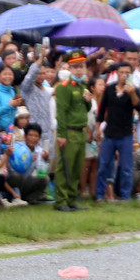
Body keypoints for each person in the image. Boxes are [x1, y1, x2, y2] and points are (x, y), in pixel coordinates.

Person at [95, 62, 140, 203]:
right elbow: (102, 111)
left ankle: (125, 196)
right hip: (109, 134)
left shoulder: (134, 90)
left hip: (126, 134)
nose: (124, 75)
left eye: (127, 73)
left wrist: (132, 93)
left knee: (126, 167)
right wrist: (97, 128)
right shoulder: (109, 89)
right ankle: (99, 195)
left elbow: (138, 107)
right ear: (117, 73)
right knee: (103, 165)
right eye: (121, 72)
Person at [53, 50, 92, 212]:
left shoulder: (83, 86)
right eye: (75, 67)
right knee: (65, 168)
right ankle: (61, 201)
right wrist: (61, 135)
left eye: (81, 66)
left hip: (81, 132)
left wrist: (89, 102)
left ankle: (71, 199)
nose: (78, 70)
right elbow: (61, 113)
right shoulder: (64, 88)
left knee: (77, 167)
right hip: (68, 132)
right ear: (69, 68)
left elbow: (85, 110)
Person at [6, 122, 50, 203]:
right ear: (25, 136)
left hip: (27, 183)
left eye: (36, 136)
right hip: (15, 182)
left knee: (44, 178)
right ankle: (13, 196)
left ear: (39, 138)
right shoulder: (18, 148)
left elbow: (42, 172)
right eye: (30, 135)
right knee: (16, 176)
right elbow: (12, 170)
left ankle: (31, 198)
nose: (33, 138)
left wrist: (45, 160)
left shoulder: (40, 151)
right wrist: (28, 160)